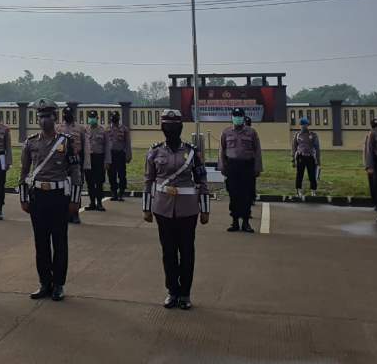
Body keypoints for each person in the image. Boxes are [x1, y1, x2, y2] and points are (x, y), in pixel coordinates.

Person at [143, 110, 210, 310]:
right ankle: (172, 291)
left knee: (187, 252)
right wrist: (146, 208)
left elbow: (202, 180)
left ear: (180, 127)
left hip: (187, 210)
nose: (170, 129)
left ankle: (185, 293)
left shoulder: (192, 152)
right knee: (168, 252)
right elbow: (148, 181)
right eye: (166, 126)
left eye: (173, 126)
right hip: (163, 210)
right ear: (162, 128)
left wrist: (205, 209)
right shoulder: (154, 151)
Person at [20, 99, 82, 302]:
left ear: (55, 118)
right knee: (41, 242)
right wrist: (23, 198)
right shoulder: (30, 142)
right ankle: (44, 283)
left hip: (58, 197)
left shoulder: (66, 142)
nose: (44, 120)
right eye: (41, 116)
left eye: (48, 116)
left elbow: (75, 171)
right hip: (38, 197)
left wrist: (75, 200)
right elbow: (24, 172)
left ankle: (59, 284)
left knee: (59, 241)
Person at [219, 107, 262, 233]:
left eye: (240, 116)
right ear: (232, 117)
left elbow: (257, 151)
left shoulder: (251, 132)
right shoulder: (226, 132)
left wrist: (257, 168)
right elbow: (222, 150)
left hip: (247, 166)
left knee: (247, 195)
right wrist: (222, 166)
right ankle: (235, 222)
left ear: (243, 117)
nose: (237, 118)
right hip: (232, 166)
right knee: (234, 194)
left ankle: (246, 222)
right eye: (235, 116)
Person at [57, 106, 86, 224]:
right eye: (65, 114)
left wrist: (85, 164)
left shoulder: (80, 129)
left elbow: (85, 146)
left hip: (76, 161)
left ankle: (75, 214)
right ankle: (65, 213)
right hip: (62, 162)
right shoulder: (58, 128)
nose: (67, 116)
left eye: (69, 114)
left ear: (73, 115)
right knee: (63, 188)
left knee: (76, 186)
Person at [85, 110, 111, 211]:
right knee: (90, 182)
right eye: (90, 117)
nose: (92, 119)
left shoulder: (103, 131)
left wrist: (107, 161)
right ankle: (92, 203)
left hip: (99, 158)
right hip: (88, 158)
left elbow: (107, 147)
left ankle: (99, 203)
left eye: (93, 117)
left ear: (97, 118)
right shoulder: (85, 130)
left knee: (99, 182)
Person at [292, 117, 321, 197]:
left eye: (305, 125)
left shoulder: (313, 135)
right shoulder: (297, 135)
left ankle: (313, 191)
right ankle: (298, 191)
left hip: (310, 157)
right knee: (299, 175)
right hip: (301, 156)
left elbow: (317, 148)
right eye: (302, 125)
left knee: (312, 175)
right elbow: (294, 148)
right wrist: (293, 160)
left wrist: (318, 161)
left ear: (308, 125)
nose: (303, 126)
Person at [107, 111, 132, 201]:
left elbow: (128, 143)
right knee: (111, 175)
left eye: (116, 117)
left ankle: (121, 192)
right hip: (111, 154)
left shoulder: (124, 129)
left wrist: (128, 155)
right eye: (113, 117)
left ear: (119, 118)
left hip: (121, 154)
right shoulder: (107, 129)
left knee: (122, 174)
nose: (114, 118)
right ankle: (114, 193)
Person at [365, 118, 377, 209]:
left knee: (374, 185)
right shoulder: (376, 134)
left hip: (373, 164)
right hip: (376, 163)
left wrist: (368, 165)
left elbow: (368, 151)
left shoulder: (370, 134)